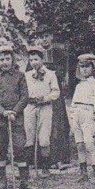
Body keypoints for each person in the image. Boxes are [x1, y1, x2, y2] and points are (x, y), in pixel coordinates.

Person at [0, 44, 30, 189]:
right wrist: (3, 112)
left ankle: (24, 181)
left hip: (16, 118)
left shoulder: (20, 76)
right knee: (0, 149)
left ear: (12, 60)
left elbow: (25, 96)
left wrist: (14, 111)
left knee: (19, 147)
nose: (5, 62)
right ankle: (3, 181)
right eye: (2, 59)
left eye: (7, 59)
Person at [24, 45, 61, 178]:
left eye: (36, 59)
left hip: (45, 107)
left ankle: (45, 168)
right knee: (29, 137)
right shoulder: (26, 75)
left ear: (42, 59)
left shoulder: (50, 74)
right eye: (31, 60)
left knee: (44, 138)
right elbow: (23, 92)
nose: (34, 62)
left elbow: (56, 92)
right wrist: (30, 99)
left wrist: (45, 98)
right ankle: (26, 169)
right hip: (29, 107)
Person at [40, 34, 73, 171]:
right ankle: (43, 160)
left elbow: (62, 72)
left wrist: (49, 72)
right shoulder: (35, 56)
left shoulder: (58, 53)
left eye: (47, 36)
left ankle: (60, 158)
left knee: (58, 124)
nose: (44, 39)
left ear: (51, 38)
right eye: (41, 37)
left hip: (55, 94)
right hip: (41, 95)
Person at [70, 54, 95, 181]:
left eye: (87, 66)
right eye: (82, 67)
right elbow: (73, 104)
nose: (84, 69)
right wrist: (72, 119)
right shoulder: (79, 86)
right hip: (77, 114)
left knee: (89, 144)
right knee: (79, 145)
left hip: (88, 114)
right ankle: (83, 173)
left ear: (93, 68)